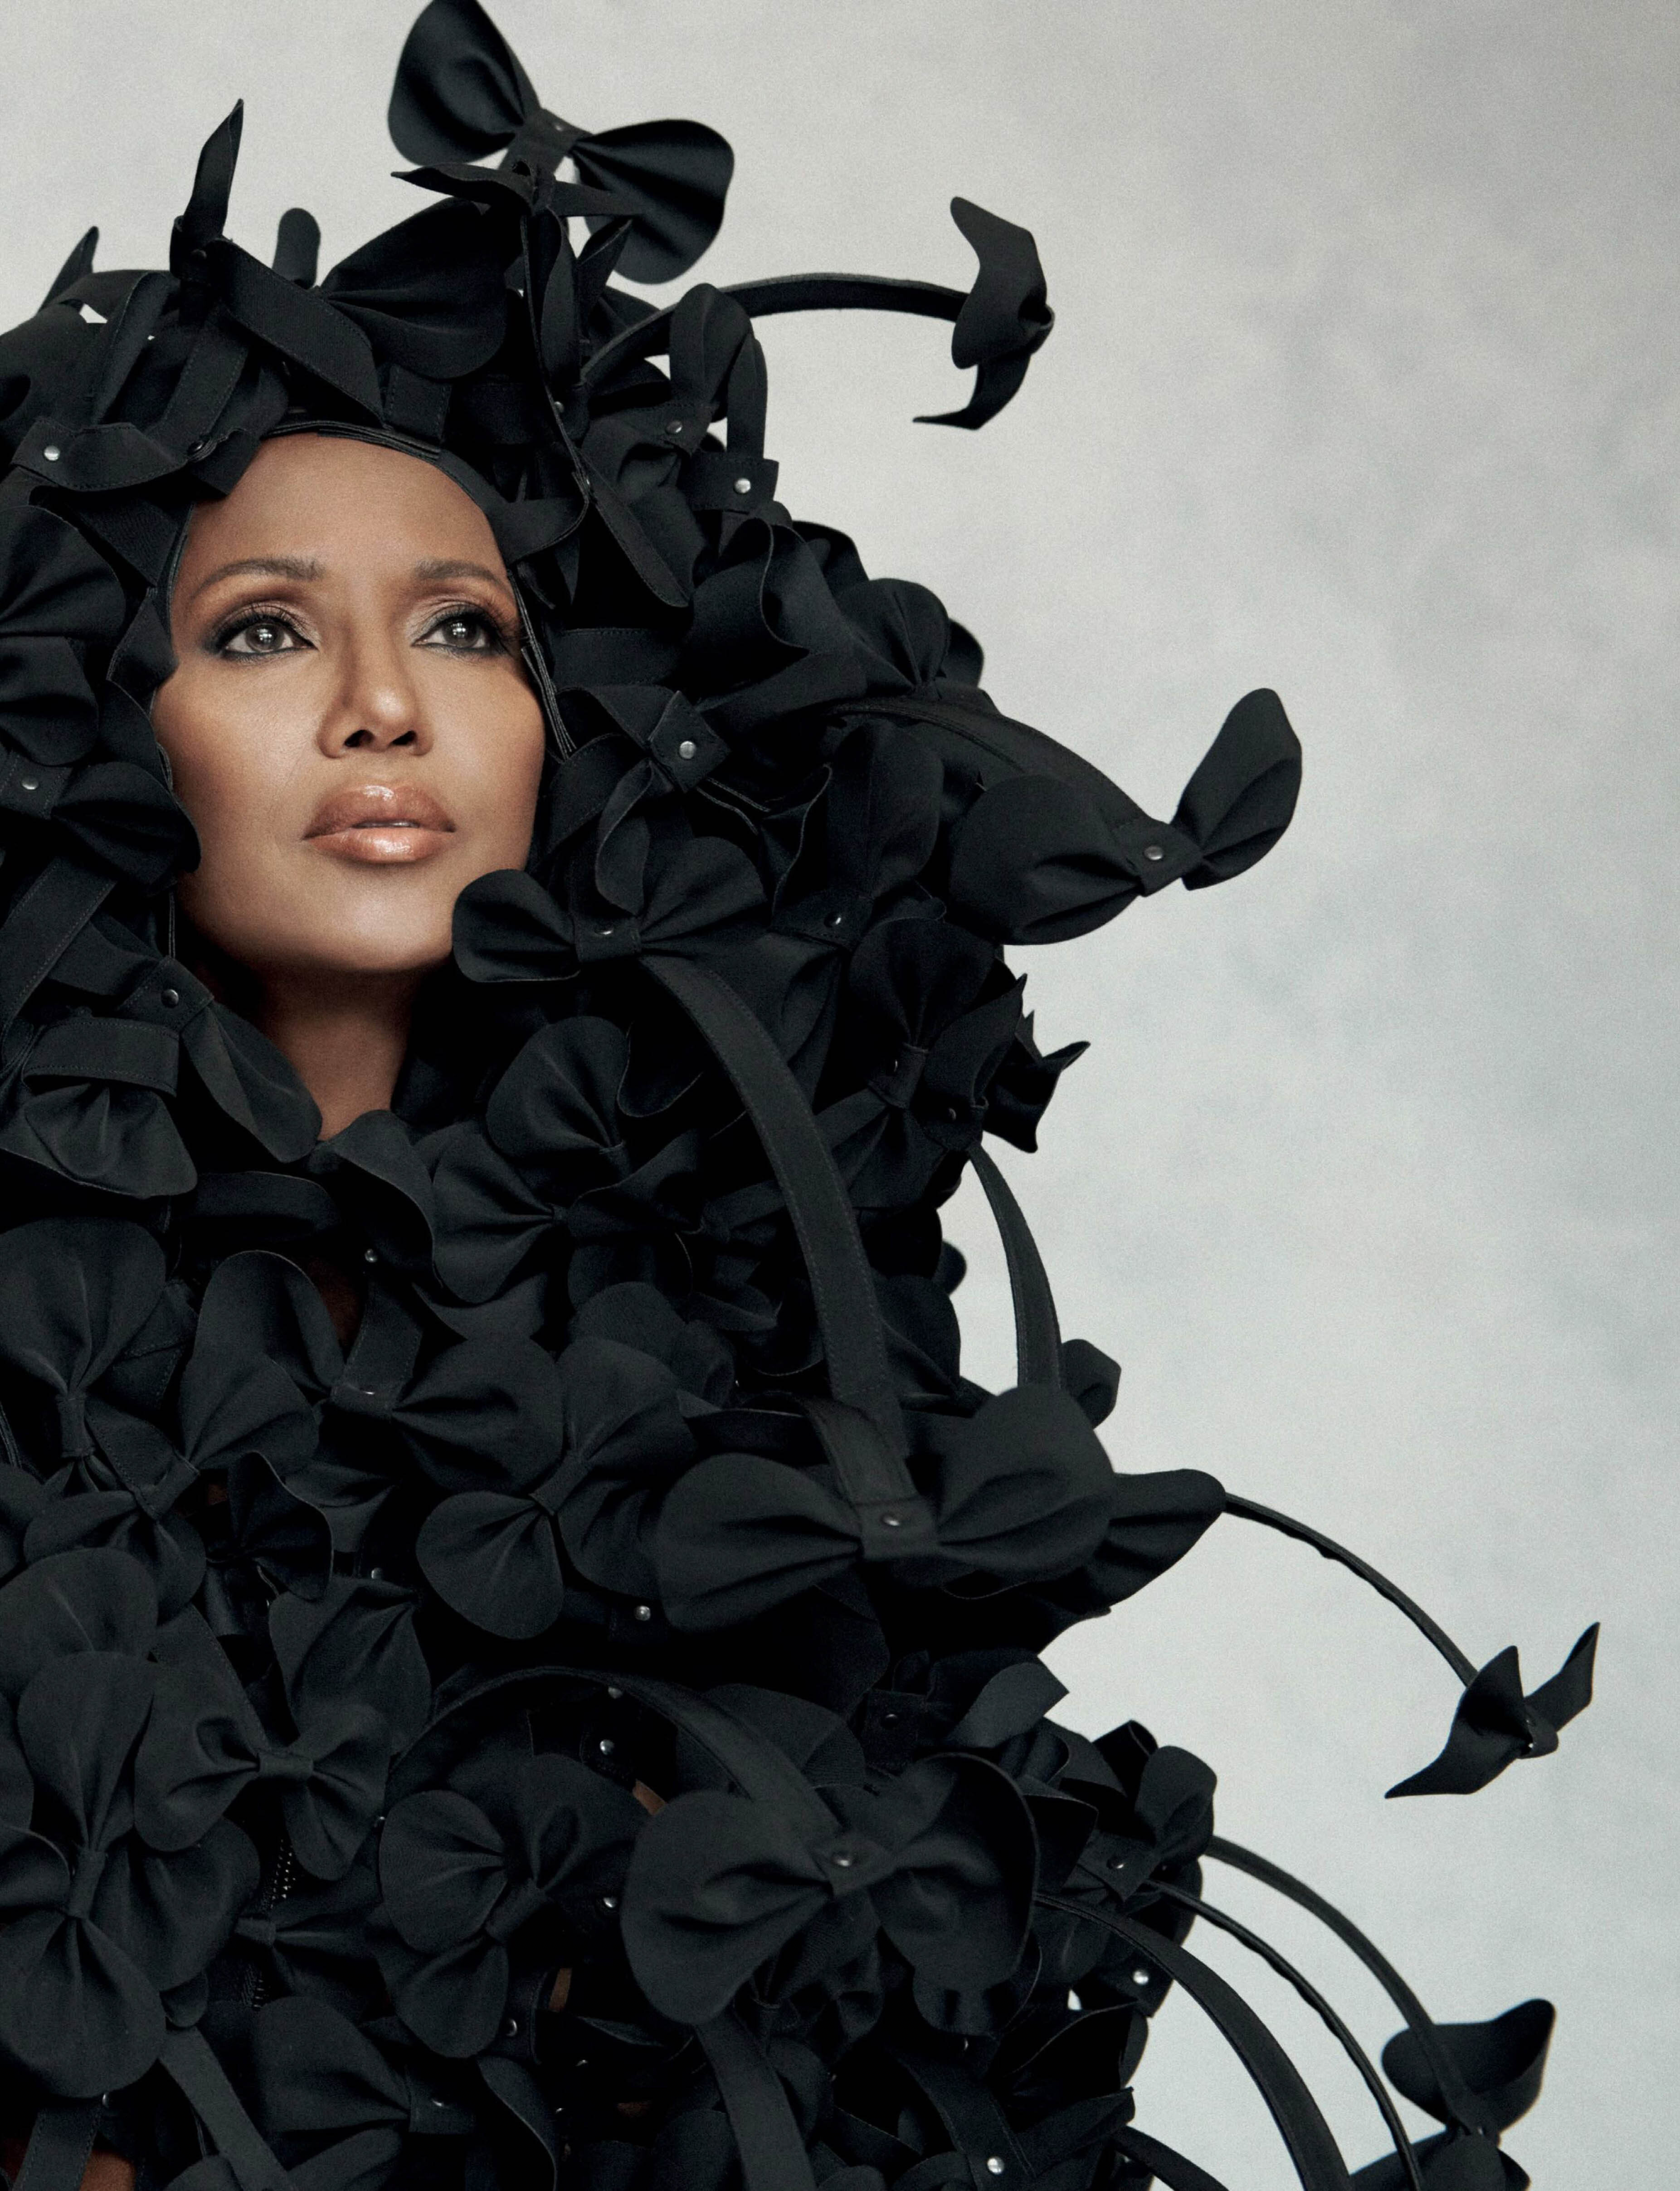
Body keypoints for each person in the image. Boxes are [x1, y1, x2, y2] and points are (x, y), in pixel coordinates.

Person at [0, 5, 1592, 2188]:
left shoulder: (755, 1320)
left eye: (465, 631)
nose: (383, 707)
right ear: (94, 703)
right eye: (264, 632)